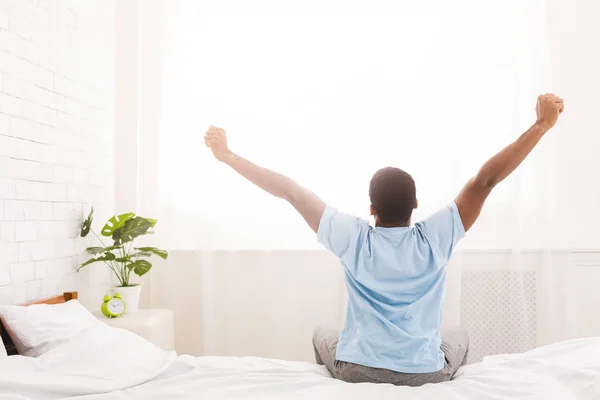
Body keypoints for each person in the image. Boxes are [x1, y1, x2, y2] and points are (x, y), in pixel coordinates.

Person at [204, 93, 564, 386]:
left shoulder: (354, 238)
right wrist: (541, 125)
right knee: (458, 335)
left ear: (372, 209)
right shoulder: (435, 237)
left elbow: (291, 192)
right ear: (416, 205)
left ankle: (339, 386)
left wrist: (228, 156)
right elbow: (486, 180)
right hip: (425, 373)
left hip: (357, 369)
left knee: (322, 333)